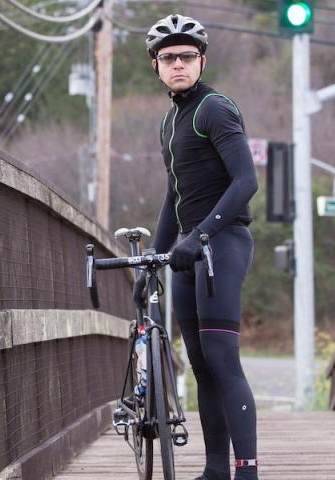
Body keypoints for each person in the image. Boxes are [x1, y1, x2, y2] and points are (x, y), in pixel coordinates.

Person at [132, 14, 260, 480]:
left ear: (201, 60)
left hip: (221, 244)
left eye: (187, 56)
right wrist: (153, 261)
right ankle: (214, 471)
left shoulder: (215, 109)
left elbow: (247, 181)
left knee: (223, 359)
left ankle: (247, 471)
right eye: (168, 58)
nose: (178, 64)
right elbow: (174, 196)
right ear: (156, 66)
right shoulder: (169, 123)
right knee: (201, 366)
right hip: (188, 252)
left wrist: (201, 234)